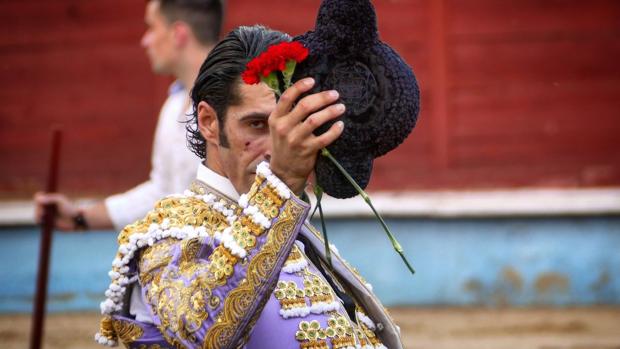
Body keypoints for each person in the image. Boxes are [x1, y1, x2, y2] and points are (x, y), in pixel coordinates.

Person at [95, 25, 401, 349]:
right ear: (209, 123)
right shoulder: (168, 236)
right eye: (257, 125)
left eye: (288, 125)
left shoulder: (296, 235)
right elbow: (204, 334)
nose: (276, 147)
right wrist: (279, 185)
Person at [34, 0, 224, 231]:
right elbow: (162, 192)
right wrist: (80, 217)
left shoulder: (232, 103)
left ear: (178, 34)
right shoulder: (173, 106)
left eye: (152, 28)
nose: (145, 40)